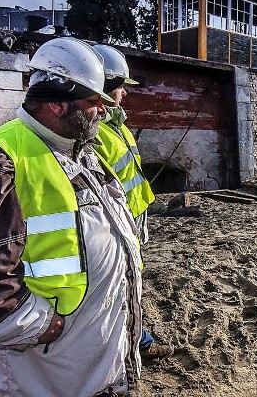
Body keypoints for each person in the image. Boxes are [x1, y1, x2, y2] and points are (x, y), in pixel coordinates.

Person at [0, 37, 144, 396]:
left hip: (86, 351)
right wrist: (29, 324)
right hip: (45, 357)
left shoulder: (80, 152)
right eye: (93, 102)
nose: (103, 112)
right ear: (59, 104)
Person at [91, 44, 172, 360]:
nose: (125, 94)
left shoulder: (116, 125)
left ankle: (136, 336)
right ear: (107, 89)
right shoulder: (95, 132)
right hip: (117, 220)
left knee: (131, 278)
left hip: (134, 215)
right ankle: (138, 340)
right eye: (121, 87)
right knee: (121, 281)